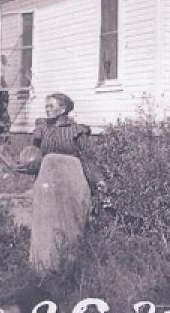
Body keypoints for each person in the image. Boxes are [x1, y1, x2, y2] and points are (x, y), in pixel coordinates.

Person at [18, 92, 104, 273]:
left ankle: (69, 266)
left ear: (63, 109)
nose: (47, 109)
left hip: (71, 181)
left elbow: (88, 157)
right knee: (46, 221)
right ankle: (45, 266)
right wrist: (27, 165)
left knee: (70, 220)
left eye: (51, 106)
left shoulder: (76, 130)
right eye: (46, 106)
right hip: (47, 183)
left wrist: (98, 180)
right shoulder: (42, 129)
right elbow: (34, 154)